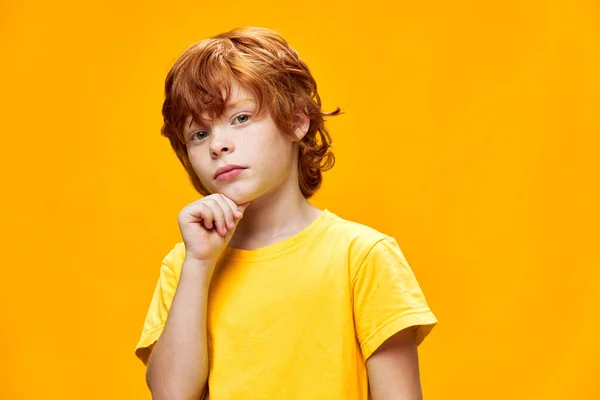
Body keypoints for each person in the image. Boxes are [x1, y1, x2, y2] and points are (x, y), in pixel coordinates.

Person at [134, 26, 438, 400]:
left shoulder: (361, 256)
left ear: (296, 121)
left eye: (241, 118)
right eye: (199, 134)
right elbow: (171, 395)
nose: (219, 144)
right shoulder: (184, 266)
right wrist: (198, 264)